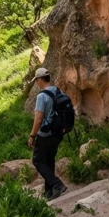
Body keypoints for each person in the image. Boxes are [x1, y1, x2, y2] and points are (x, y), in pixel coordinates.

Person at [28, 67, 68, 200]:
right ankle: (49, 190)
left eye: (36, 80)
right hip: (58, 133)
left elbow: (38, 119)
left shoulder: (42, 96)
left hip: (46, 134)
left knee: (37, 160)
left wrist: (32, 135)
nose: (36, 83)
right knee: (49, 160)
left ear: (40, 79)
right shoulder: (58, 91)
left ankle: (57, 184)